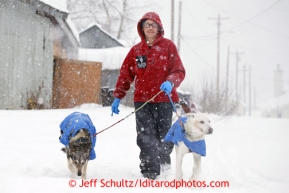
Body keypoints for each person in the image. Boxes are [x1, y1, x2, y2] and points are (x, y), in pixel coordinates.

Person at [111, 12, 186, 180]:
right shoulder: (136, 51)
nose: (150, 27)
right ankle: (149, 172)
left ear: (159, 27)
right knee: (145, 136)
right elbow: (125, 74)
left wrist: (171, 81)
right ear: (142, 28)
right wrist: (118, 96)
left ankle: (164, 165)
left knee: (164, 137)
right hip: (142, 101)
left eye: (153, 24)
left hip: (165, 100)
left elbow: (179, 71)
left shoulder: (168, 47)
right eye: (147, 25)